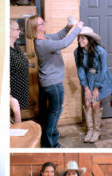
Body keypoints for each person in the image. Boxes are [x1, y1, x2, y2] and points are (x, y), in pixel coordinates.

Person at [25, 15, 83, 148]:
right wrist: (77, 29)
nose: (44, 24)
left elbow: (58, 36)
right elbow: (63, 43)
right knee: (55, 111)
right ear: (36, 28)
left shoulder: (46, 38)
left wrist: (68, 26)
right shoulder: (42, 44)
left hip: (51, 82)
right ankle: (50, 143)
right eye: (41, 23)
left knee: (52, 111)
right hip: (53, 84)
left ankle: (48, 139)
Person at [74, 26, 112, 143]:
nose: (80, 40)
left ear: (89, 39)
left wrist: (96, 88)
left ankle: (97, 131)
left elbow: (103, 69)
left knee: (95, 104)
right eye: (79, 37)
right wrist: (86, 88)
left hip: (101, 78)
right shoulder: (77, 52)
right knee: (87, 103)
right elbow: (80, 70)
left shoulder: (100, 51)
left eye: (83, 38)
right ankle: (90, 130)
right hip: (88, 79)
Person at [10, 19, 28, 123]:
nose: (19, 31)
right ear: (10, 32)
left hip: (20, 90)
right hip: (13, 92)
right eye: (17, 29)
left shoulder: (16, 46)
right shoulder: (7, 49)